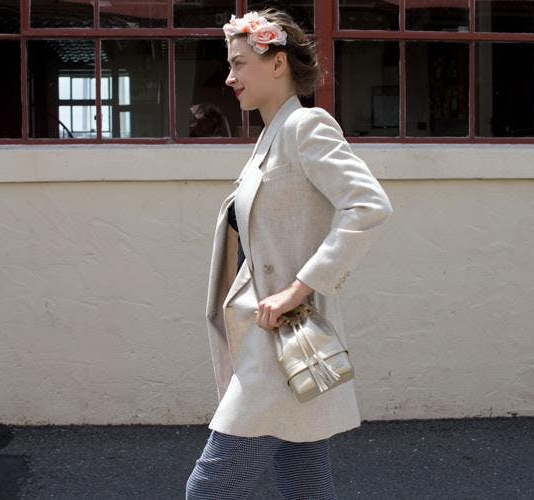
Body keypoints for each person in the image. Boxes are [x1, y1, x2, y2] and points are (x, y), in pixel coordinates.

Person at [186, 8, 393, 499]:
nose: (230, 76)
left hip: (282, 341)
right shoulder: (269, 137)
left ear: (277, 63)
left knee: (210, 490)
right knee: (303, 482)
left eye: (239, 63)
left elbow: (368, 205)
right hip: (272, 338)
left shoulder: (305, 127)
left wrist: (299, 287)